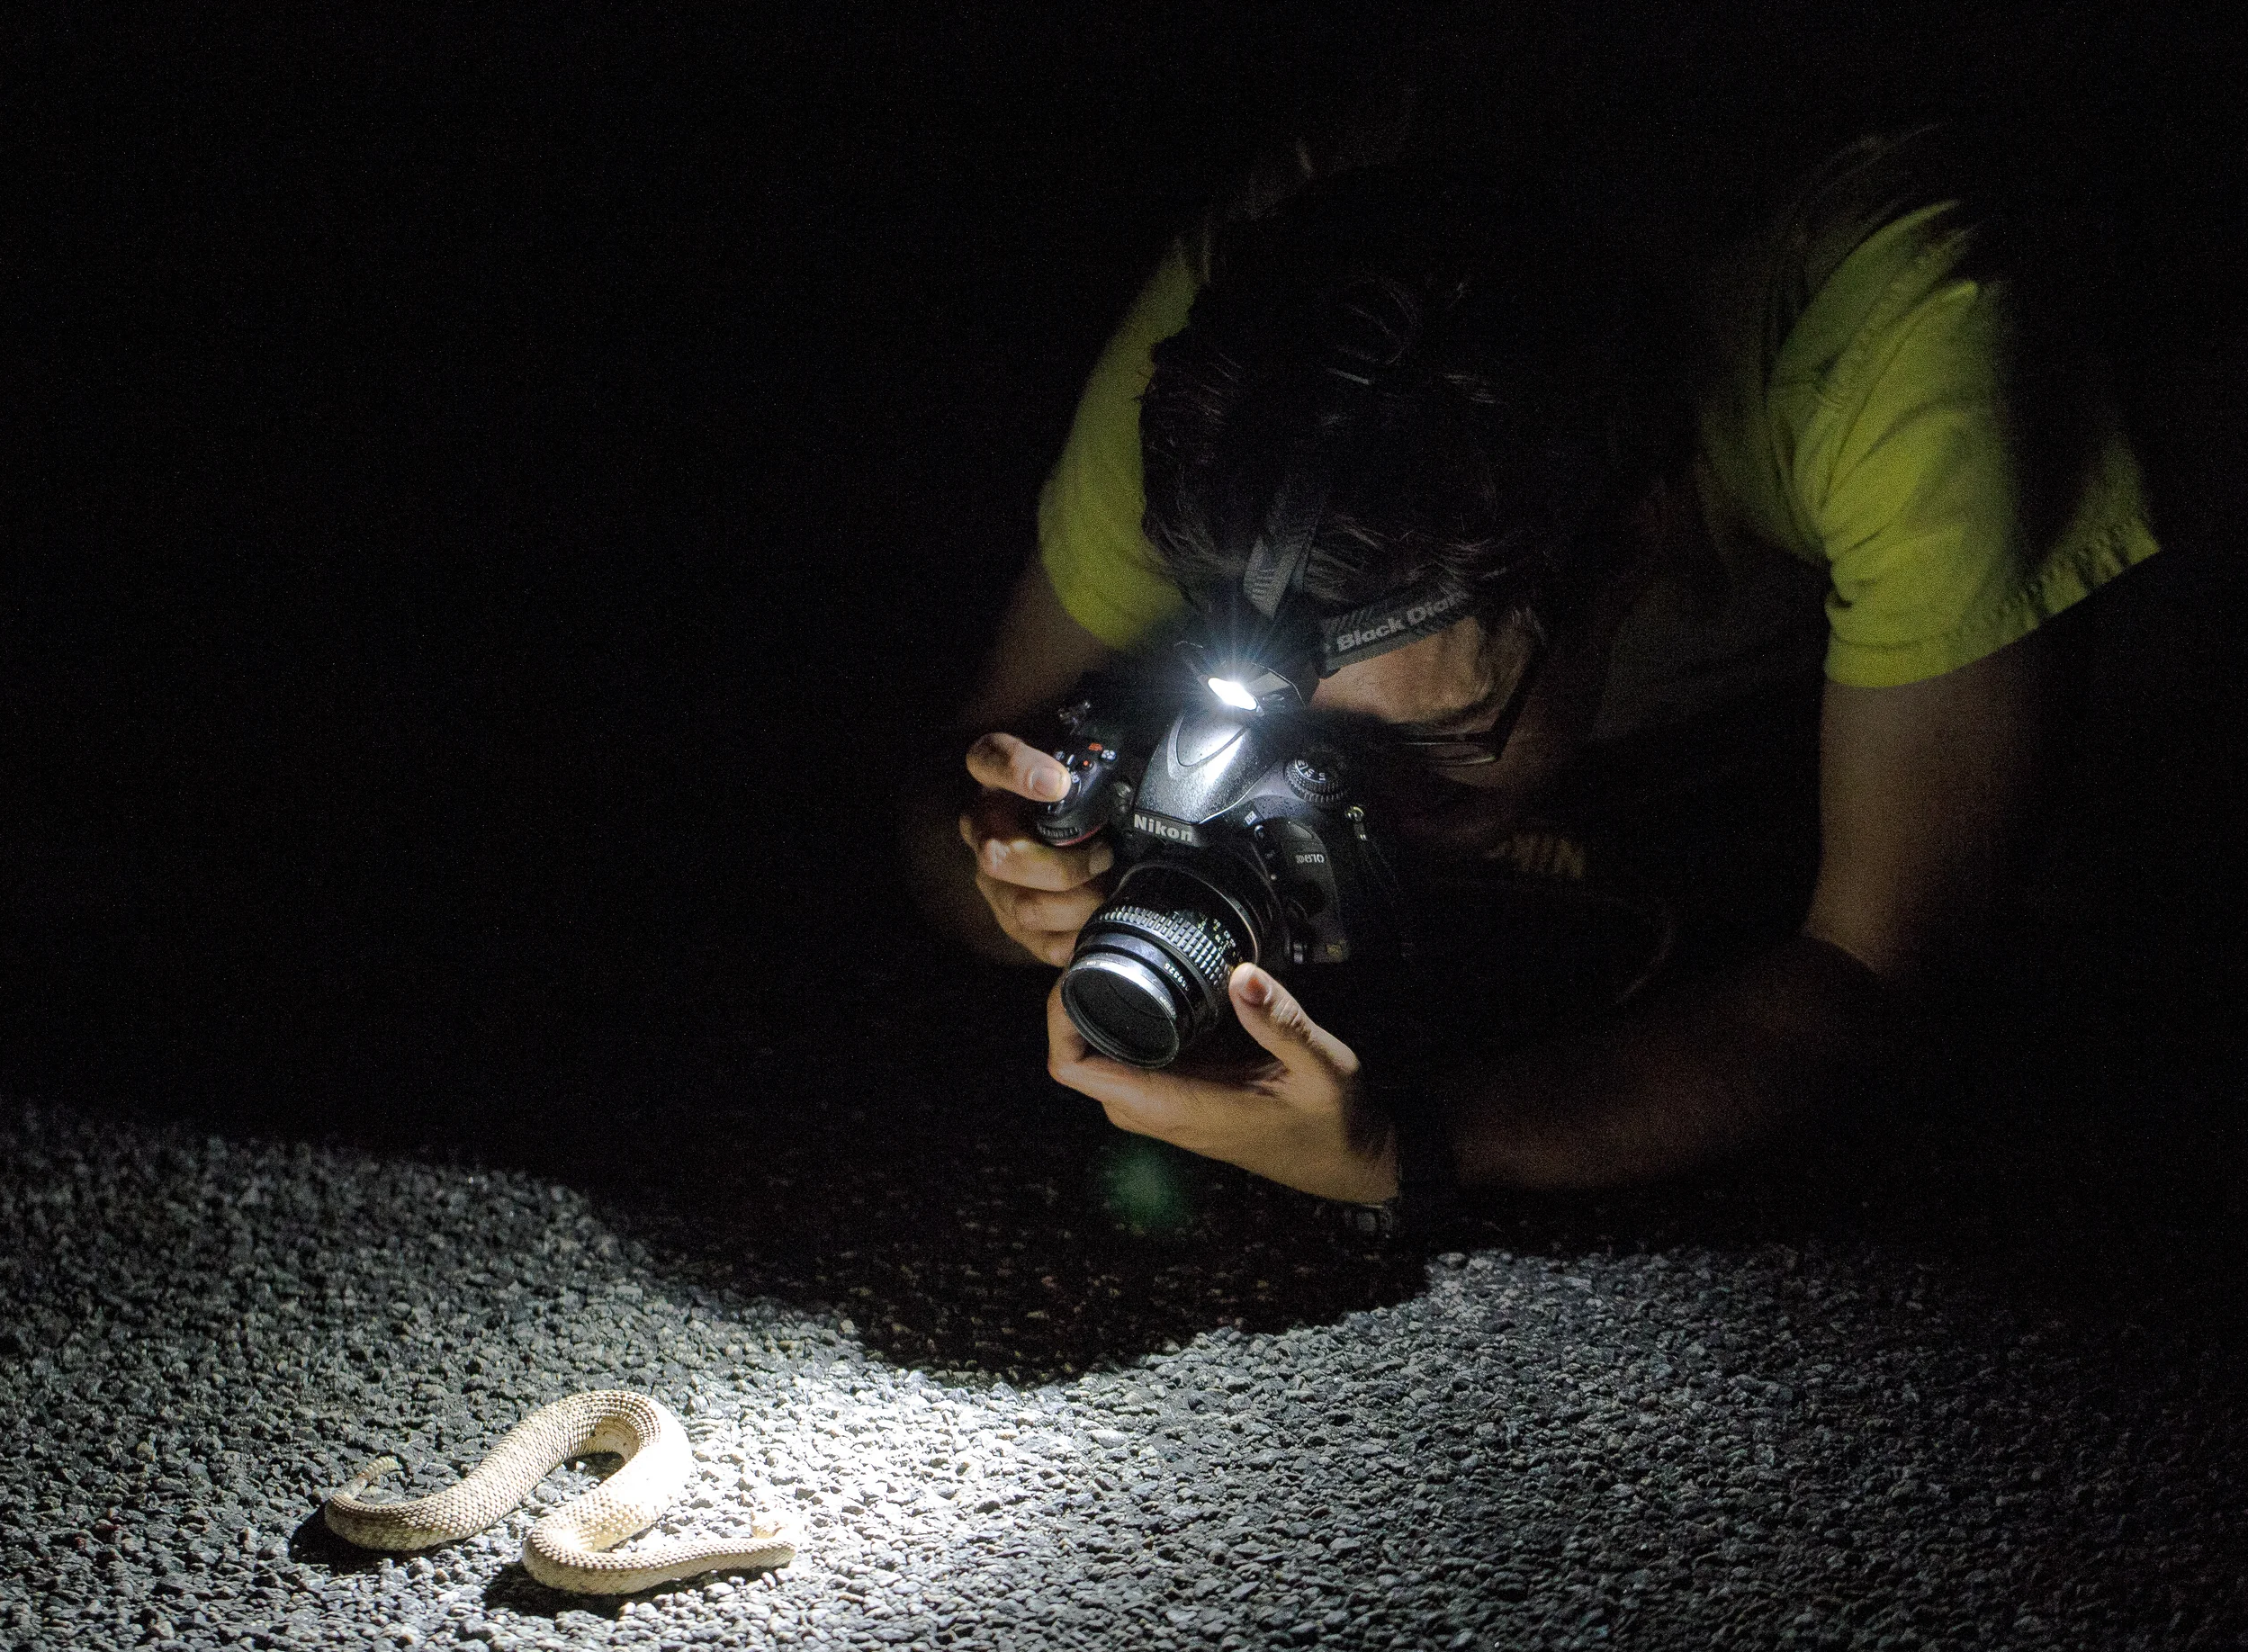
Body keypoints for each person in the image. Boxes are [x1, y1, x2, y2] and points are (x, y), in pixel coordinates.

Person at [906, 117, 2163, 1226]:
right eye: (1292, 726)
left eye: (1439, 736)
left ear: (1641, 525)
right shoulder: (1237, 355)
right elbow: (946, 777)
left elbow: (1876, 977)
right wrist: (1013, 877)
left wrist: (1417, 1146)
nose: (1342, 802)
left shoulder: (1909, 345)